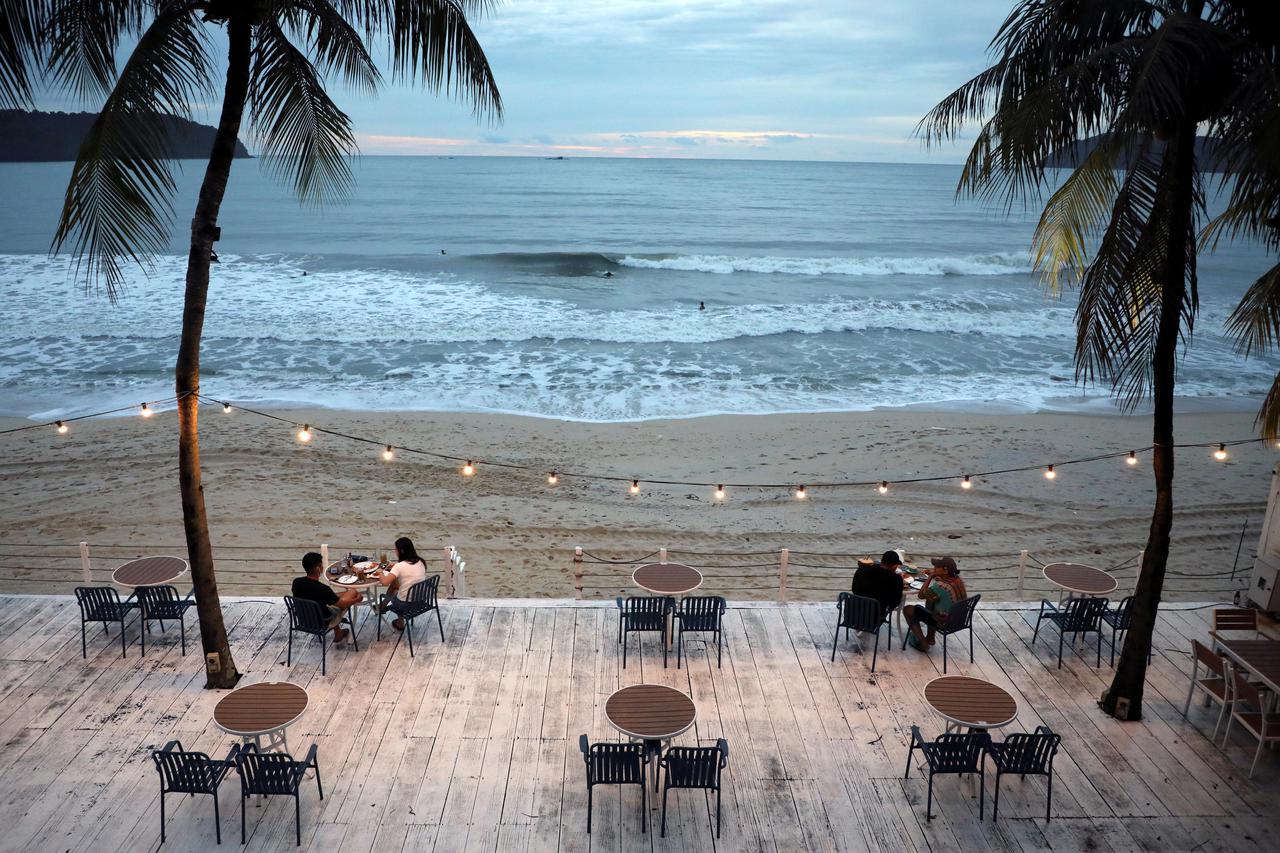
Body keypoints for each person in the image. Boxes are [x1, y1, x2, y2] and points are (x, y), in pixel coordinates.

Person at [291, 552, 360, 642]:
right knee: (352, 592)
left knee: (334, 598)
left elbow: (318, 594)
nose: (322, 567)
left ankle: (338, 633)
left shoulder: (297, 582)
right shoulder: (322, 589)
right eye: (321, 565)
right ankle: (338, 631)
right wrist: (356, 600)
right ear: (318, 568)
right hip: (323, 620)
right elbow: (342, 605)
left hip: (304, 619)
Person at [903, 556, 968, 651]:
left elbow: (921, 595)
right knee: (931, 599)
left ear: (945, 571)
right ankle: (930, 638)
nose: (933, 569)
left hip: (944, 622)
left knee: (908, 609)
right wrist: (939, 577)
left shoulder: (941, 586)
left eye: (936, 568)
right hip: (959, 620)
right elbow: (944, 588)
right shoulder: (958, 580)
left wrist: (930, 577)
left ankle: (924, 644)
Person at [378, 536, 429, 632]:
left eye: (395, 549)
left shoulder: (399, 566)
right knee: (395, 585)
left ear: (401, 551)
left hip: (406, 605)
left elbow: (384, 582)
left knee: (395, 592)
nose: (395, 551)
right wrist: (396, 566)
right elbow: (412, 575)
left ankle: (399, 623)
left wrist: (380, 571)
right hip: (421, 601)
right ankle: (383, 606)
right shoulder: (421, 561)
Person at [851, 550, 905, 622]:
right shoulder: (896, 579)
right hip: (873, 619)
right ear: (895, 566)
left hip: (852, 614)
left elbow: (854, 589)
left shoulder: (861, 569)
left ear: (881, 561)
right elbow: (894, 603)